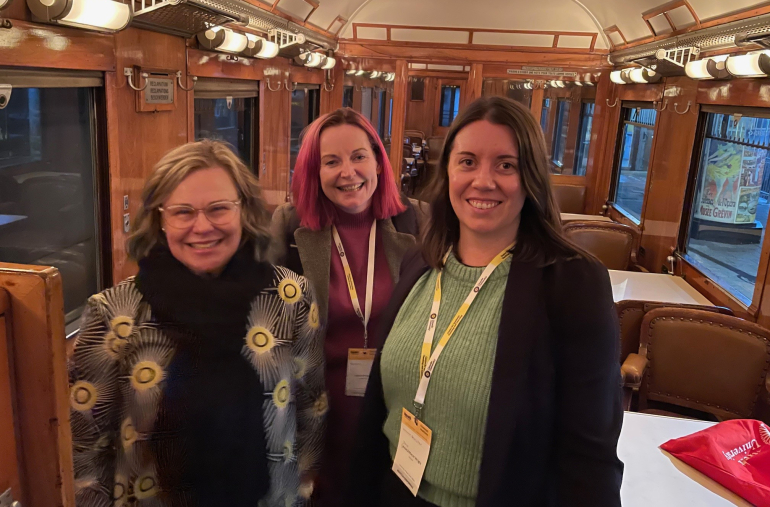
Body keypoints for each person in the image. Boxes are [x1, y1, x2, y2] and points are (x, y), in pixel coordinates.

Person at [349, 97, 623, 507]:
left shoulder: (573, 282)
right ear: (448, 172)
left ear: (530, 176)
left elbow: (589, 452)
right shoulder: (420, 260)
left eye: (505, 165)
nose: (483, 180)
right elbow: (378, 412)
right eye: (468, 161)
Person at [68, 140, 326, 507]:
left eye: (219, 208)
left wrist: (301, 491)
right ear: (160, 218)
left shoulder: (291, 298)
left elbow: (311, 407)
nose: (202, 227)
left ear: (245, 212)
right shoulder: (113, 313)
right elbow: (86, 448)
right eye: (183, 212)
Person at [270, 108, 419, 506]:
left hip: (394, 404)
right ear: (313, 173)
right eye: (330, 161)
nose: (347, 172)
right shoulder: (288, 228)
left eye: (358, 156)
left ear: (377, 160)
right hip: (317, 408)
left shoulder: (414, 222)